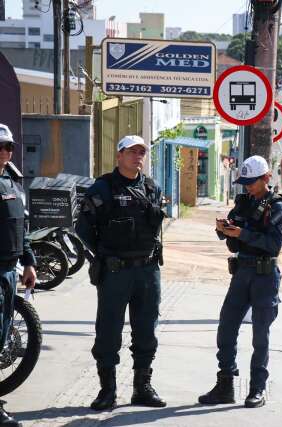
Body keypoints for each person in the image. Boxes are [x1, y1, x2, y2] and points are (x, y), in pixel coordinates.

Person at [75, 135, 166, 411]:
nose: (137, 156)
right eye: (132, 152)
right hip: (116, 272)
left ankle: (142, 387)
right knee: (108, 332)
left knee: (146, 331)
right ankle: (108, 390)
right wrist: (104, 255)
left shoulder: (151, 188)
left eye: (141, 152)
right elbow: (83, 228)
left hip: (148, 271)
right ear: (119, 155)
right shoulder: (102, 188)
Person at [199, 155, 282, 409]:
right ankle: (225, 384)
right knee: (226, 328)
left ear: (266, 179)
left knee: (260, 335)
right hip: (242, 273)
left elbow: (273, 244)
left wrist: (243, 234)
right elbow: (233, 236)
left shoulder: (277, 206)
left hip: (265, 276)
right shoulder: (243, 202)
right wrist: (224, 229)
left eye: (252, 182)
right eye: (245, 182)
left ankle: (257, 389)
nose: (248, 186)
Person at [0, 124, 37, 427]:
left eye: (9, 146)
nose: (5, 152)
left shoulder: (12, 181)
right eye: (0, 146)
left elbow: (20, 227)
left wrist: (29, 262)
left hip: (8, 270)